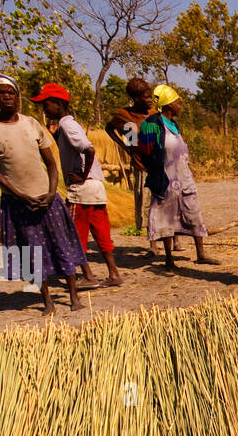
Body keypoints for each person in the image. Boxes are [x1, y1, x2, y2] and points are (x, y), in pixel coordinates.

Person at [0, 74, 86, 315]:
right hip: (18, 202)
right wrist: (18, 194)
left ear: (17, 96)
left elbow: (51, 163)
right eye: (2, 92)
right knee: (33, 252)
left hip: (47, 198)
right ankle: (47, 299)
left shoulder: (31, 123)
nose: (7, 96)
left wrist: (51, 192)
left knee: (62, 245)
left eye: (11, 92)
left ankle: (74, 295)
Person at [33, 82, 123, 288]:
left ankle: (89, 276)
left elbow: (88, 149)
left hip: (82, 190)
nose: (44, 109)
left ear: (57, 104)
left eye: (46, 104)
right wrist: (55, 136)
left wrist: (82, 175)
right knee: (101, 232)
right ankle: (114, 273)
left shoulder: (67, 125)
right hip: (96, 188)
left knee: (75, 233)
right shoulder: (67, 126)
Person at [137, 84, 215, 274]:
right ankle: (169, 260)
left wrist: (188, 168)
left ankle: (201, 254)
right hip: (166, 180)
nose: (180, 105)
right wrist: (154, 171)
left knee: (194, 213)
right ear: (169, 105)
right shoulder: (151, 125)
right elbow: (143, 151)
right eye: (177, 102)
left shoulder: (174, 125)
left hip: (184, 177)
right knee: (166, 219)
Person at [105, 77, 153, 246]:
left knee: (165, 203)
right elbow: (109, 129)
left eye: (150, 96)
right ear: (136, 99)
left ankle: (174, 240)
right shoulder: (125, 116)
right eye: (146, 97)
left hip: (159, 165)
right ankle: (153, 244)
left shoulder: (154, 115)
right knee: (147, 205)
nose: (150, 100)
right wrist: (124, 147)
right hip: (141, 166)